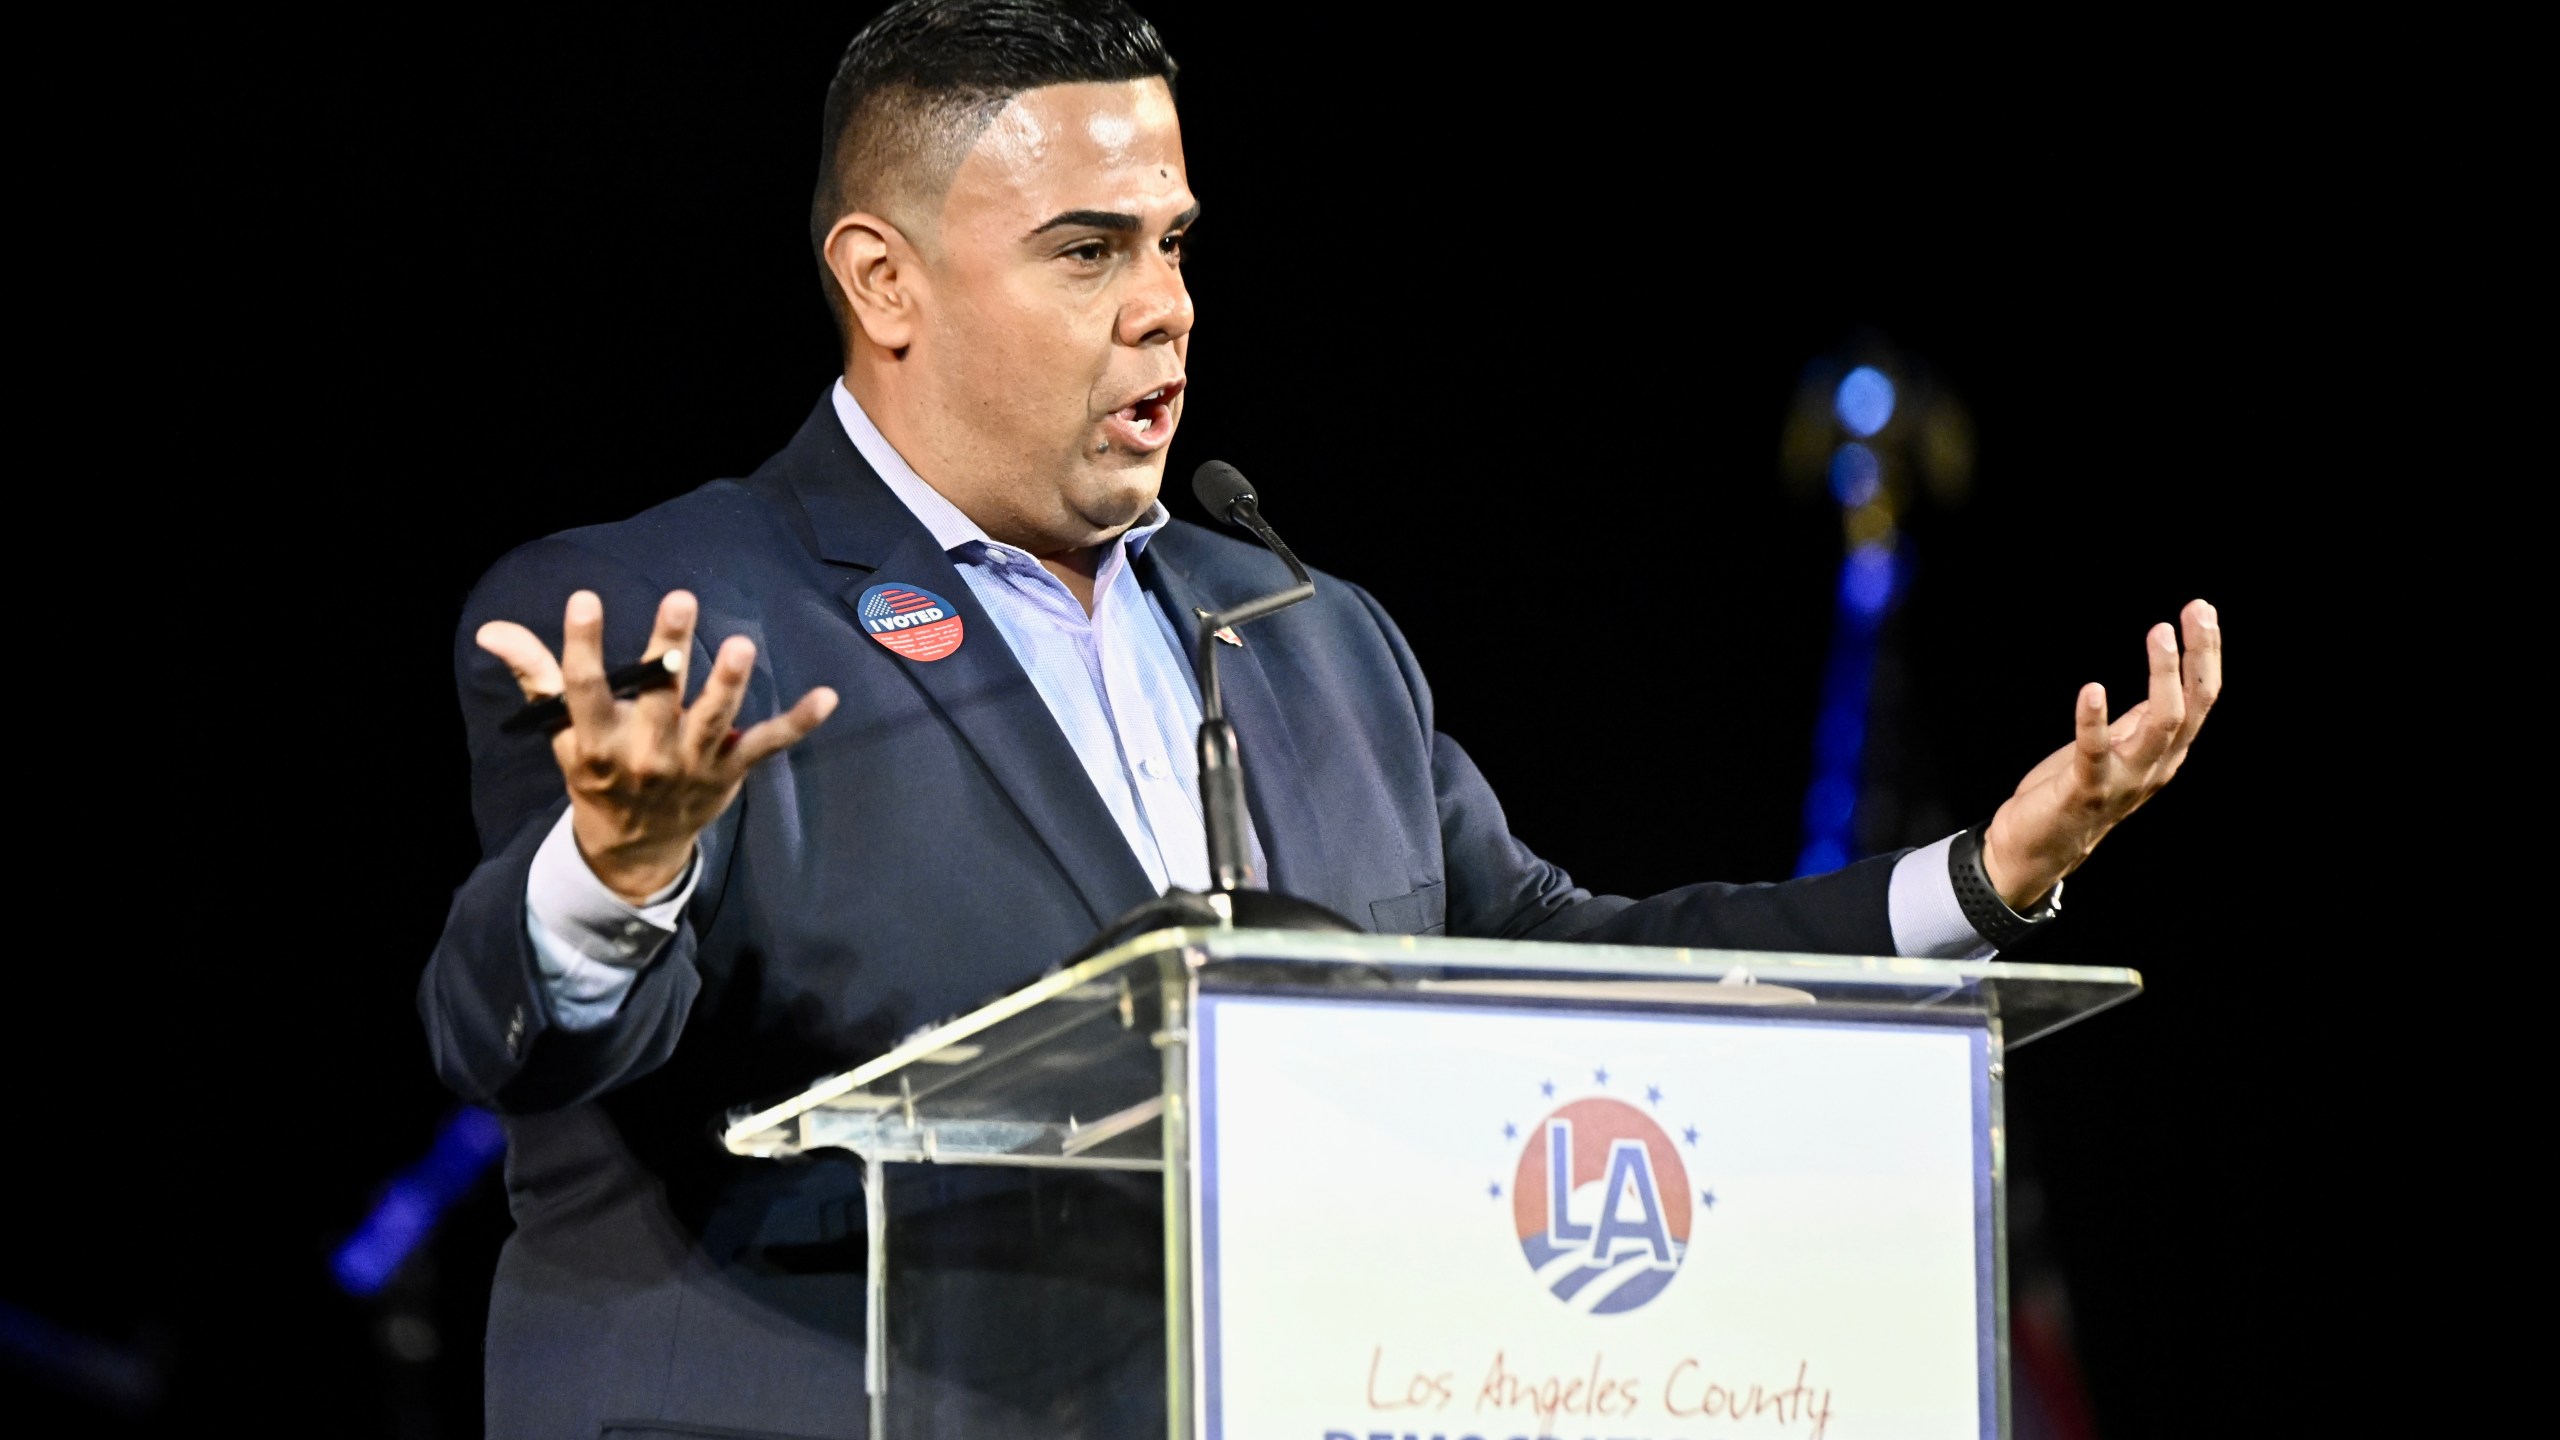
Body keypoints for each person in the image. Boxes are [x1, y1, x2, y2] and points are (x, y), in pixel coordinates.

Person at [421, 2, 2224, 1436]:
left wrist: (1974, 883)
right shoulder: (672, 619)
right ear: (883, 282)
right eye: (1085, 250)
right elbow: (531, 1038)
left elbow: (1560, 968)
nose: (1167, 310)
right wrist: (619, 869)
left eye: (1178, 243)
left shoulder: (1300, 633)